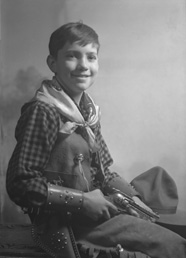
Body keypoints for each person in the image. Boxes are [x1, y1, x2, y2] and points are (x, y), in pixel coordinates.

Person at [6, 22, 186, 258]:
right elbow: (20, 183)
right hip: (65, 224)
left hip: (92, 212)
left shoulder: (88, 112)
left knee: (163, 226)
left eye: (91, 57)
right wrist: (82, 201)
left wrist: (134, 200)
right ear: (53, 63)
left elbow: (104, 172)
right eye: (72, 56)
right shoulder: (44, 111)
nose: (83, 65)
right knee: (172, 246)